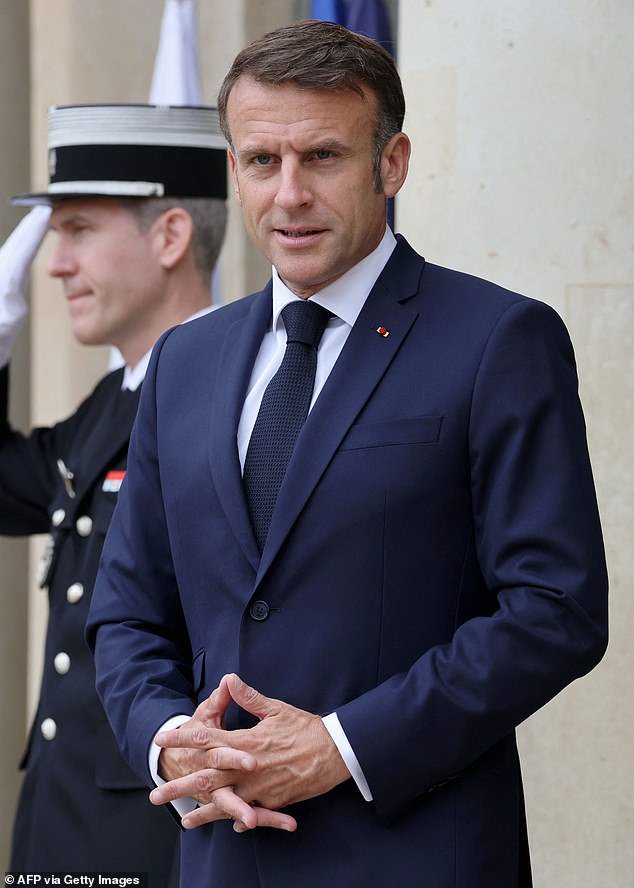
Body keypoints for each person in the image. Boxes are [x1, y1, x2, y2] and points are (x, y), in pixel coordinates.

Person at [87, 21, 608, 888]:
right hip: (221, 855)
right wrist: (171, 741)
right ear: (234, 172)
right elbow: (128, 612)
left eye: (322, 157)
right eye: (263, 161)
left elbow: (556, 609)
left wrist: (342, 745)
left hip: (416, 859)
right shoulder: (184, 361)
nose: (289, 194)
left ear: (391, 164)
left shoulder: (497, 340)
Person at [2, 102, 227, 883]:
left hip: (155, 834)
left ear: (170, 236)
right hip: (63, 823)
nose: (55, 265)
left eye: (78, 230)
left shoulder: (230, 395)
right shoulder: (113, 402)